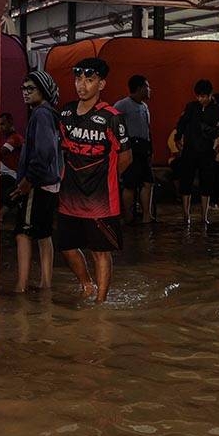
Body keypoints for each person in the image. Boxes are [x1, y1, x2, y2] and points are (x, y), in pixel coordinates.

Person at [57, 58, 131, 303]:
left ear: (101, 84)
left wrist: (103, 178)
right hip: (70, 197)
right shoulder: (65, 113)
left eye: (89, 80)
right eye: (78, 79)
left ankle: (100, 302)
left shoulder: (112, 117)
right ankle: (86, 285)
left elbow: (126, 158)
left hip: (101, 200)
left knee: (101, 252)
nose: (82, 85)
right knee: (66, 247)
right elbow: (64, 149)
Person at [10, 70, 62, 294]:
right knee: (43, 234)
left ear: (44, 91)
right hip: (50, 183)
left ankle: (21, 286)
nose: (25, 93)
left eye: (31, 89)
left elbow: (43, 151)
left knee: (23, 232)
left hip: (38, 184)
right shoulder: (49, 114)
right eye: (23, 88)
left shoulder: (40, 114)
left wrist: (28, 181)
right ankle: (45, 283)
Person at [175, 80, 219, 225]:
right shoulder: (191, 107)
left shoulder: (217, 109)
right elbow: (182, 123)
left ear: (210, 95)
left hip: (206, 151)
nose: (201, 99)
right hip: (190, 150)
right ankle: (186, 215)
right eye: (198, 96)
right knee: (186, 182)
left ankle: (204, 216)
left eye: (204, 96)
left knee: (207, 184)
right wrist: (178, 138)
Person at [114, 74, 154, 224]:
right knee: (130, 184)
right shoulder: (122, 105)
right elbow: (112, 125)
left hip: (144, 148)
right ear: (139, 88)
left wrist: (151, 149)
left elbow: (148, 129)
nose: (149, 90)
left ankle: (146, 216)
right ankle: (128, 217)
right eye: (147, 87)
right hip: (130, 148)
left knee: (147, 182)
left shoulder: (144, 107)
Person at [0, 112, 23, 214]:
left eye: (3, 124)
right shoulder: (8, 138)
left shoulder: (15, 138)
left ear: (10, 123)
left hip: (12, 176)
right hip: (5, 174)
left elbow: (2, 152)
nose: (1, 127)